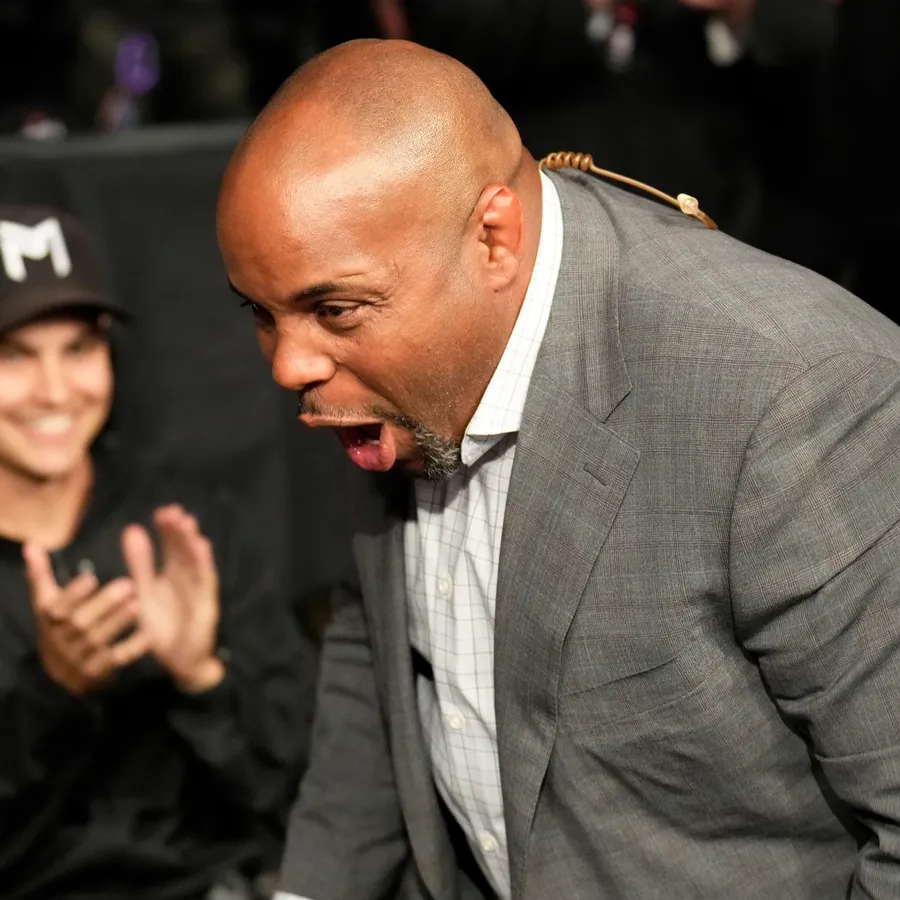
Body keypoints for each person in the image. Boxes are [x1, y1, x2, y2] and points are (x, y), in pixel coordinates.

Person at [216, 39, 900, 900]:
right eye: (260, 313)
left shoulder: (794, 399)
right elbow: (383, 652)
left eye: (334, 308)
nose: (289, 366)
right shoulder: (388, 372)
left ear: (494, 239)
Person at [0, 204, 313, 900]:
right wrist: (50, 695)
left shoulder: (186, 527)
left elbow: (302, 792)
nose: (54, 391)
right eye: (13, 355)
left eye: (78, 349)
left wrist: (202, 676)